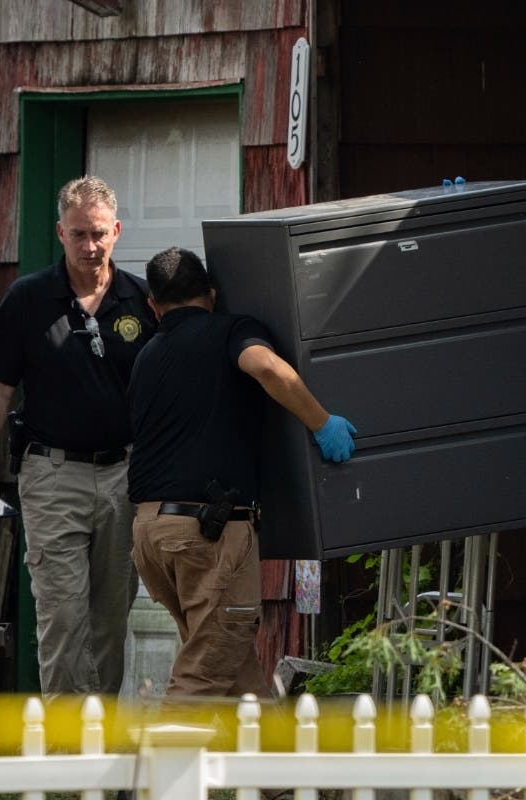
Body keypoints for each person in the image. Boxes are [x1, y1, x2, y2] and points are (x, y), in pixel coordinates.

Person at [127, 246, 357, 698]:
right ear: (212, 294)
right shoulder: (231, 331)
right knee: (204, 676)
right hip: (207, 534)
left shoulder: (146, 357)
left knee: (234, 670)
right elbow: (266, 367)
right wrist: (321, 422)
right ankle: (158, 770)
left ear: (153, 307)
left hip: (151, 532)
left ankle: (267, 766)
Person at [0, 176, 156, 694]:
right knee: (63, 618)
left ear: (116, 231)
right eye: (78, 234)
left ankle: (104, 752)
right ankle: (67, 763)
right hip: (53, 475)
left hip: (125, 475)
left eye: (98, 233)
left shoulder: (142, 301)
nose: (89, 246)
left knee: (110, 620)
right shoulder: (29, 298)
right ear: (59, 233)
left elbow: (168, 393)